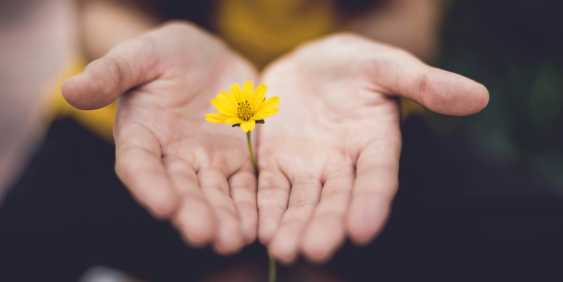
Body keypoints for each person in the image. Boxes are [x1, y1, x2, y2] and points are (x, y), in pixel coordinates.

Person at [61, 0, 487, 263]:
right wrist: (145, 54)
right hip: (156, 117)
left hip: (344, 121)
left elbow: (408, 15)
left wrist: (362, 56)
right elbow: (101, 7)